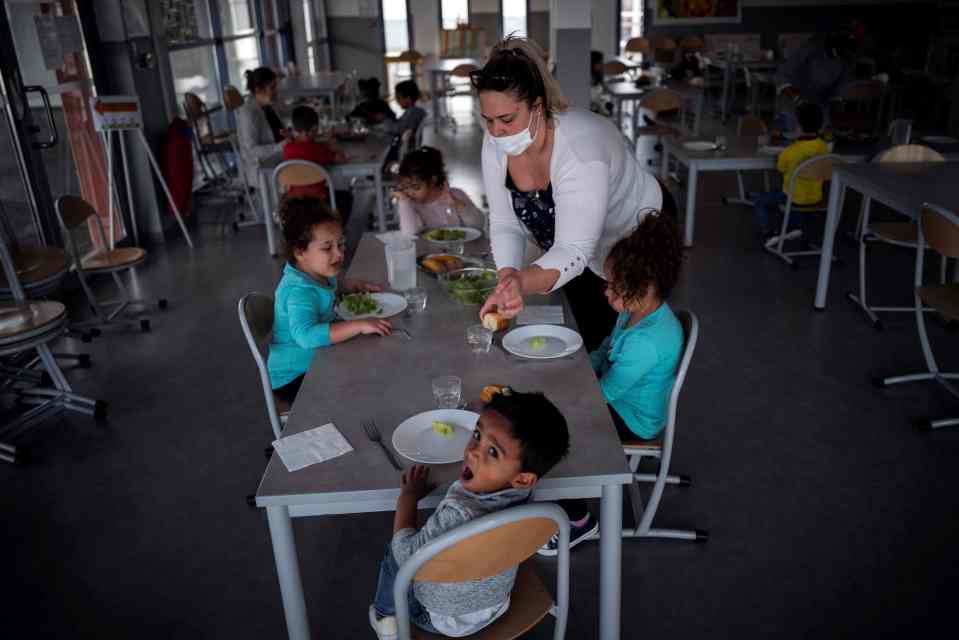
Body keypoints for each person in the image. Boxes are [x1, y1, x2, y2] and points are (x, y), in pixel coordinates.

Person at [473, 36, 677, 351]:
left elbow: (574, 250)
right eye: (488, 120)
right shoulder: (497, 143)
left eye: (507, 119)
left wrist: (522, 282)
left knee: (618, 341)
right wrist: (508, 277)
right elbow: (504, 222)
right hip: (577, 245)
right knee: (578, 328)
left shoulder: (581, 150)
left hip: (638, 232)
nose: (496, 131)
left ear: (537, 106)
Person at [369, 390, 570, 639]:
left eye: (493, 452)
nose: (473, 452)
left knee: (395, 550)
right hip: (496, 605)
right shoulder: (525, 492)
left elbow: (405, 556)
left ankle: (384, 615)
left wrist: (408, 497)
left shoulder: (459, 515)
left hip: (437, 618)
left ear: (522, 478)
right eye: (477, 434)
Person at [539, 214, 684, 555]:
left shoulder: (645, 342)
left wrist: (565, 398)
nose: (606, 291)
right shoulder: (634, 311)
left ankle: (579, 520)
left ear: (643, 288)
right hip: (620, 398)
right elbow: (604, 351)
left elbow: (604, 394)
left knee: (562, 431)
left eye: (613, 286)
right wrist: (575, 369)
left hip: (632, 417)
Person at [268, 196, 391, 407]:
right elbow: (306, 336)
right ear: (300, 252)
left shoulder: (317, 272)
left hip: (318, 358)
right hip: (295, 376)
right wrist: (358, 325)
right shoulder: (298, 292)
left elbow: (327, 287)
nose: (339, 254)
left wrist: (349, 285)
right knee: (366, 387)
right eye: (327, 248)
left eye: (341, 244)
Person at [753, 102, 828, 246]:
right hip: (816, 198)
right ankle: (795, 227)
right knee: (796, 193)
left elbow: (780, 169)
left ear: (798, 126)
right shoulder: (823, 147)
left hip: (793, 198)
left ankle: (768, 232)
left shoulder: (790, 151)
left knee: (761, 200)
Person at [775, 30, 861, 126]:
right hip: (793, 101)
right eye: (845, 51)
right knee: (793, 134)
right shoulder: (809, 50)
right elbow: (781, 75)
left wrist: (837, 103)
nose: (847, 55)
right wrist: (798, 100)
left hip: (819, 105)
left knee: (824, 137)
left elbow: (838, 88)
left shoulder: (846, 60)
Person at [394, 146, 484, 235]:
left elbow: (479, 223)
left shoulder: (455, 195)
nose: (410, 193)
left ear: (433, 180)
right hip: (427, 249)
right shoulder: (410, 204)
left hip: (458, 248)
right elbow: (409, 233)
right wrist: (404, 202)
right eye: (405, 187)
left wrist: (457, 203)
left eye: (416, 187)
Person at [282, 105, 347, 201]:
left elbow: (302, 149)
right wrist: (334, 143)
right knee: (346, 197)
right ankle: (331, 216)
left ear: (295, 128)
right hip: (317, 201)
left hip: (294, 201)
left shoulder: (287, 148)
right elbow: (342, 159)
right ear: (315, 128)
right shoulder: (319, 149)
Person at [236, 67, 287, 188]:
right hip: (261, 169)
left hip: (277, 159)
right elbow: (251, 151)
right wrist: (280, 146)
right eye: (272, 88)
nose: (276, 91)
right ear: (258, 89)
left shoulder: (268, 105)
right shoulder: (248, 113)